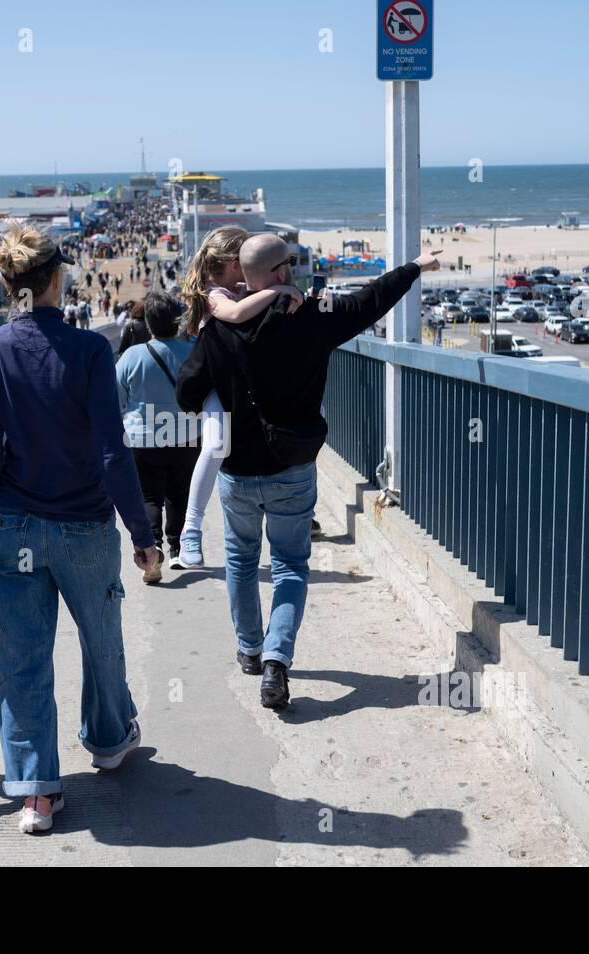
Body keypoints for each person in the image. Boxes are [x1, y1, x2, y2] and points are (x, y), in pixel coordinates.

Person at [176, 233, 440, 709]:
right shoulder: (312, 315)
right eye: (291, 264)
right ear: (279, 273)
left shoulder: (218, 327)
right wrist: (415, 266)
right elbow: (369, 301)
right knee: (291, 565)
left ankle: (250, 649)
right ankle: (277, 660)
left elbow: (186, 393)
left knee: (240, 561)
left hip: (236, 471)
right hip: (292, 468)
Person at [0, 221, 157, 834]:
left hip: (14, 528)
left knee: (22, 658)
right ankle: (107, 742)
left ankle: (37, 793)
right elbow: (112, 450)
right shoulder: (89, 351)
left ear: (7, 284)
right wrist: (142, 531)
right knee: (101, 641)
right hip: (83, 527)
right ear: (55, 280)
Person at [174, 226, 303, 570]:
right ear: (234, 263)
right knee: (216, 444)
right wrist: (279, 288)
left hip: (236, 381)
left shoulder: (237, 288)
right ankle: (191, 527)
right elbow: (233, 315)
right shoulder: (214, 294)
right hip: (214, 385)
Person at [116, 291, 199, 576]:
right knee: (179, 492)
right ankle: (177, 547)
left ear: (148, 323)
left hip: (143, 438)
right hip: (187, 436)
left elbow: (116, 399)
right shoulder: (192, 350)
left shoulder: (131, 356)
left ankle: (153, 547)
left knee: (149, 496)